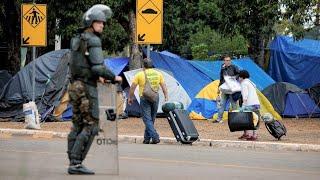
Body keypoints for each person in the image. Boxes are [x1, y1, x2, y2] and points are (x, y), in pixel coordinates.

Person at [67, 5, 122, 175]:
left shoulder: (77, 39)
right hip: (86, 88)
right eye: (100, 23)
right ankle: (76, 163)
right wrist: (114, 77)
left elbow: (82, 65)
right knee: (92, 124)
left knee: (77, 124)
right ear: (91, 23)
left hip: (75, 86)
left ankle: (72, 160)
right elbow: (98, 67)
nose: (103, 26)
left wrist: (96, 74)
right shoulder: (93, 40)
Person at [128, 58, 168, 144]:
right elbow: (163, 85)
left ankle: (155, 136)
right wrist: (166, 96)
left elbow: (132, 87)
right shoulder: (158, 74)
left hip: (144, 97)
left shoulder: (139, 74)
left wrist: (130, 97)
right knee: (151, 118)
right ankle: (147, 139)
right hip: (155, 97)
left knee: (147, 119)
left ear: (143, 66)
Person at [215, 55, 240, 123]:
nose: (227, 62)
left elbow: (239, 74)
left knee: (234, 105)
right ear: (224, 61)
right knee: (222, 104)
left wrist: (234, 78)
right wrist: (218, 88)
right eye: (226, 60)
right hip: (224, 89)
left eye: (229, 60)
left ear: (230, 61)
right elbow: (221, 78)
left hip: (232, 89)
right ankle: (219, 119)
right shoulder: (222, 68)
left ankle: (237, 120)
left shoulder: (234, 67)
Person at [238, 70, 261, 141]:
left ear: (242, 77)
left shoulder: (244, 83)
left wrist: (243, 105)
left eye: (239, 76)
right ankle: (255, 135)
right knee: (256, 119)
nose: (238, 78)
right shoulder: (251, 82)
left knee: (246, 119)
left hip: (249, 104)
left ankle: (247, 134)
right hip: (256, 103)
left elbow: (245, 95)